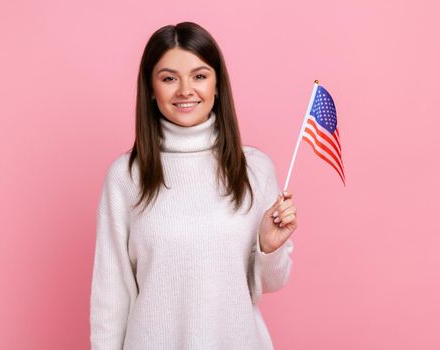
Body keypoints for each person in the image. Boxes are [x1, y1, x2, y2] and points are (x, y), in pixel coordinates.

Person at [90, 21, 298, 350]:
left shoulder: (254, 169)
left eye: (199, 76)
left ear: (217, 86)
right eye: (169, 78)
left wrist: (268, 248)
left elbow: (270, 284)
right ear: (151, 88)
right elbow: (109, 295)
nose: (185, 90)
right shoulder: (126, 176)